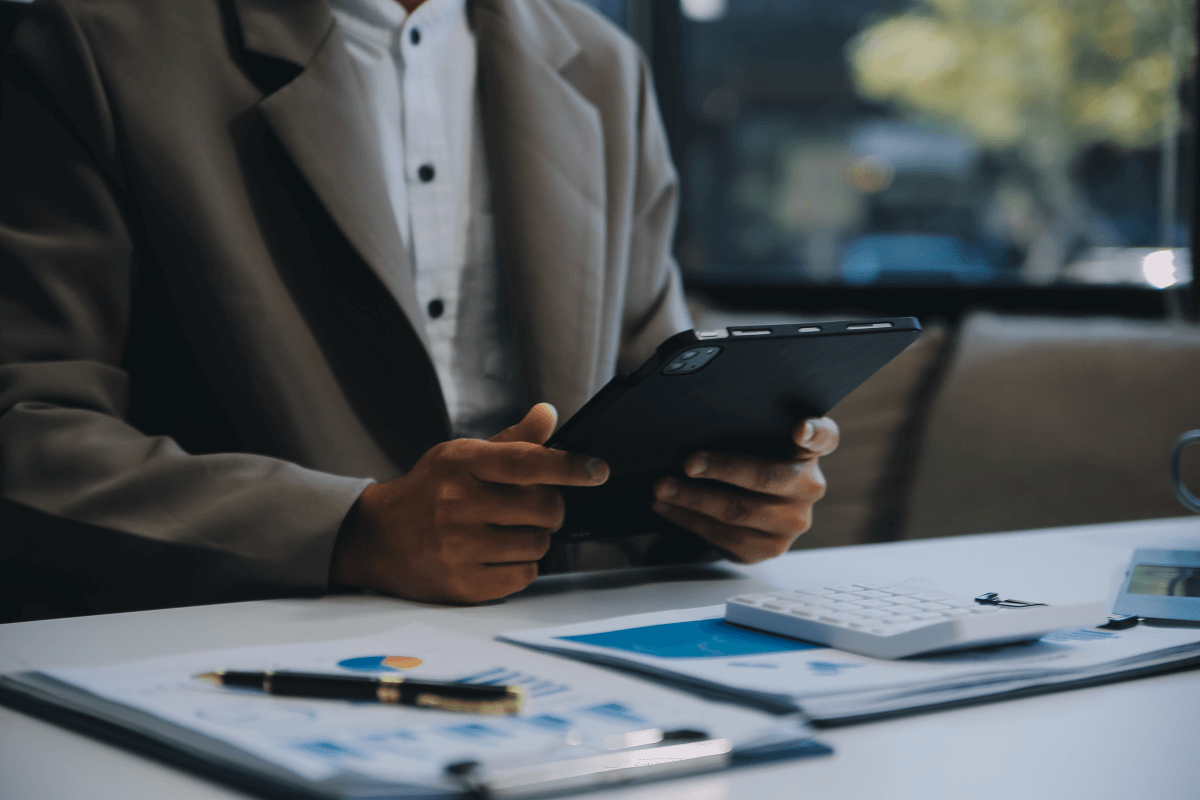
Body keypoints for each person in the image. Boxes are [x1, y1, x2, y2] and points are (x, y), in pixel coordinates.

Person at [0, 0, 838, 616]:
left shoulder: (604, 65)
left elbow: (650, 405)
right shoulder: (97, 42)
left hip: (566, 658)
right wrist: (348, 530)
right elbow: (27, 431)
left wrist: (732, 498)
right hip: (234, 646)